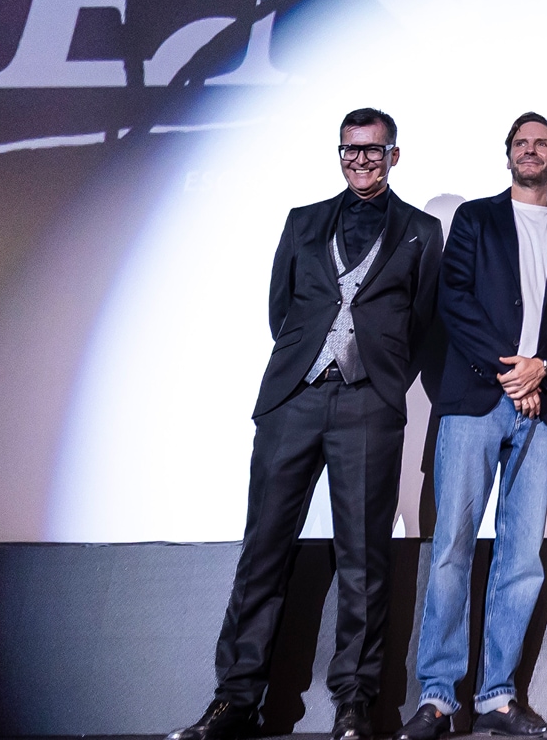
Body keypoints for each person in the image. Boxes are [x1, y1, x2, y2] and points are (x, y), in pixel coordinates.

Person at [168, 109, 445, 740]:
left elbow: (422, 322)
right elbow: (282, 310)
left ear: (394, 156)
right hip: (293, 399)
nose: (360, 163)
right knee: (263, 549)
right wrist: (310, 366)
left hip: (368, 404)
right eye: (350, 152)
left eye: (373, 153)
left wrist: (374, 377)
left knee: (365, 559)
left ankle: (354, 703)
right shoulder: (303, 221)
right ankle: (236, 699)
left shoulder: (422, 232)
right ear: (339, 154)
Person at [402, 113, 547, 740]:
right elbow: (454, 298)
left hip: (540, 406)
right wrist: (512, 371)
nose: (531, 152)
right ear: (508, 155)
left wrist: (542, 371)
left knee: (521, 558)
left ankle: (496, 696)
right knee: (453, 548)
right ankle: (436, 697)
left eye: (542, 145)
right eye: (522, 143)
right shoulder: (477, 219)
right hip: (475, 401)